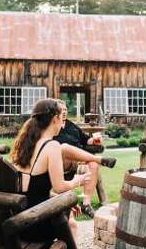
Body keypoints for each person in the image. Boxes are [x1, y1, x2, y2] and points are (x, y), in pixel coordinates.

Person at [11, 99, 90, 241]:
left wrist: (62, 201)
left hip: (18, 218)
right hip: (36, 223)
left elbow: (32, 190)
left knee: (69, 217)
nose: (62, 122)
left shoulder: (24, 144)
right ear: (55, 119)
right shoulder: (51, 145)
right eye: (61, 117)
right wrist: (77, 181)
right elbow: (60, 187)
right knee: (71, 224)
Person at [53, 100, 116, 218]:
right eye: (62, 110)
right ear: (55, 112)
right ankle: (101, 160)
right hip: (61, 161)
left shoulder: (71, 125)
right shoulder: (52, 127)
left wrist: (94, 140)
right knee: (66, 150)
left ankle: (86, 204)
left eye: (66, 109)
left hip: (79, 160)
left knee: (93, 165)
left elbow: (85, 139)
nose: (64, 112)